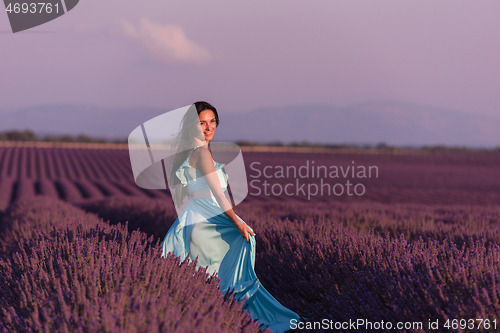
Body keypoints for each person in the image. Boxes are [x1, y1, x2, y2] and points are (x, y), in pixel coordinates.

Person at [161, 101, 301, 332]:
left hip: (195, 221)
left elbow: (191, 195)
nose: (208, 128)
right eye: (201, 123)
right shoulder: (202, 153)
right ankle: (237, 322)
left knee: (207, 280)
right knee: (227, 278)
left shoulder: (189, 153)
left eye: (212, 122)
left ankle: (209, 323)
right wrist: (236, 221)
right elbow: (217, 194)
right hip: (209, 225)